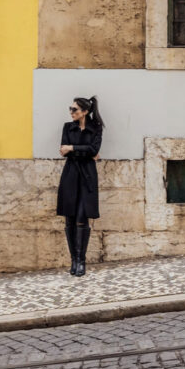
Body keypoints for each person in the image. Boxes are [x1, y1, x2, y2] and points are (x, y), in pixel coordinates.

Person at [57, 96, 104, 277]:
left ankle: (81, 261)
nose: (71, 112)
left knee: (82, 218)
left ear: (84, 112)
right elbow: (63, 150)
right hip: (70, 174)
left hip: (87, 176)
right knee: (69, 218)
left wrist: (73, 148)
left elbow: (94, 149)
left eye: (74, 109)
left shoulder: (96, 128)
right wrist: (79, 149)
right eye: (70, 109)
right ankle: (74, 260)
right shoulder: (68, 127)